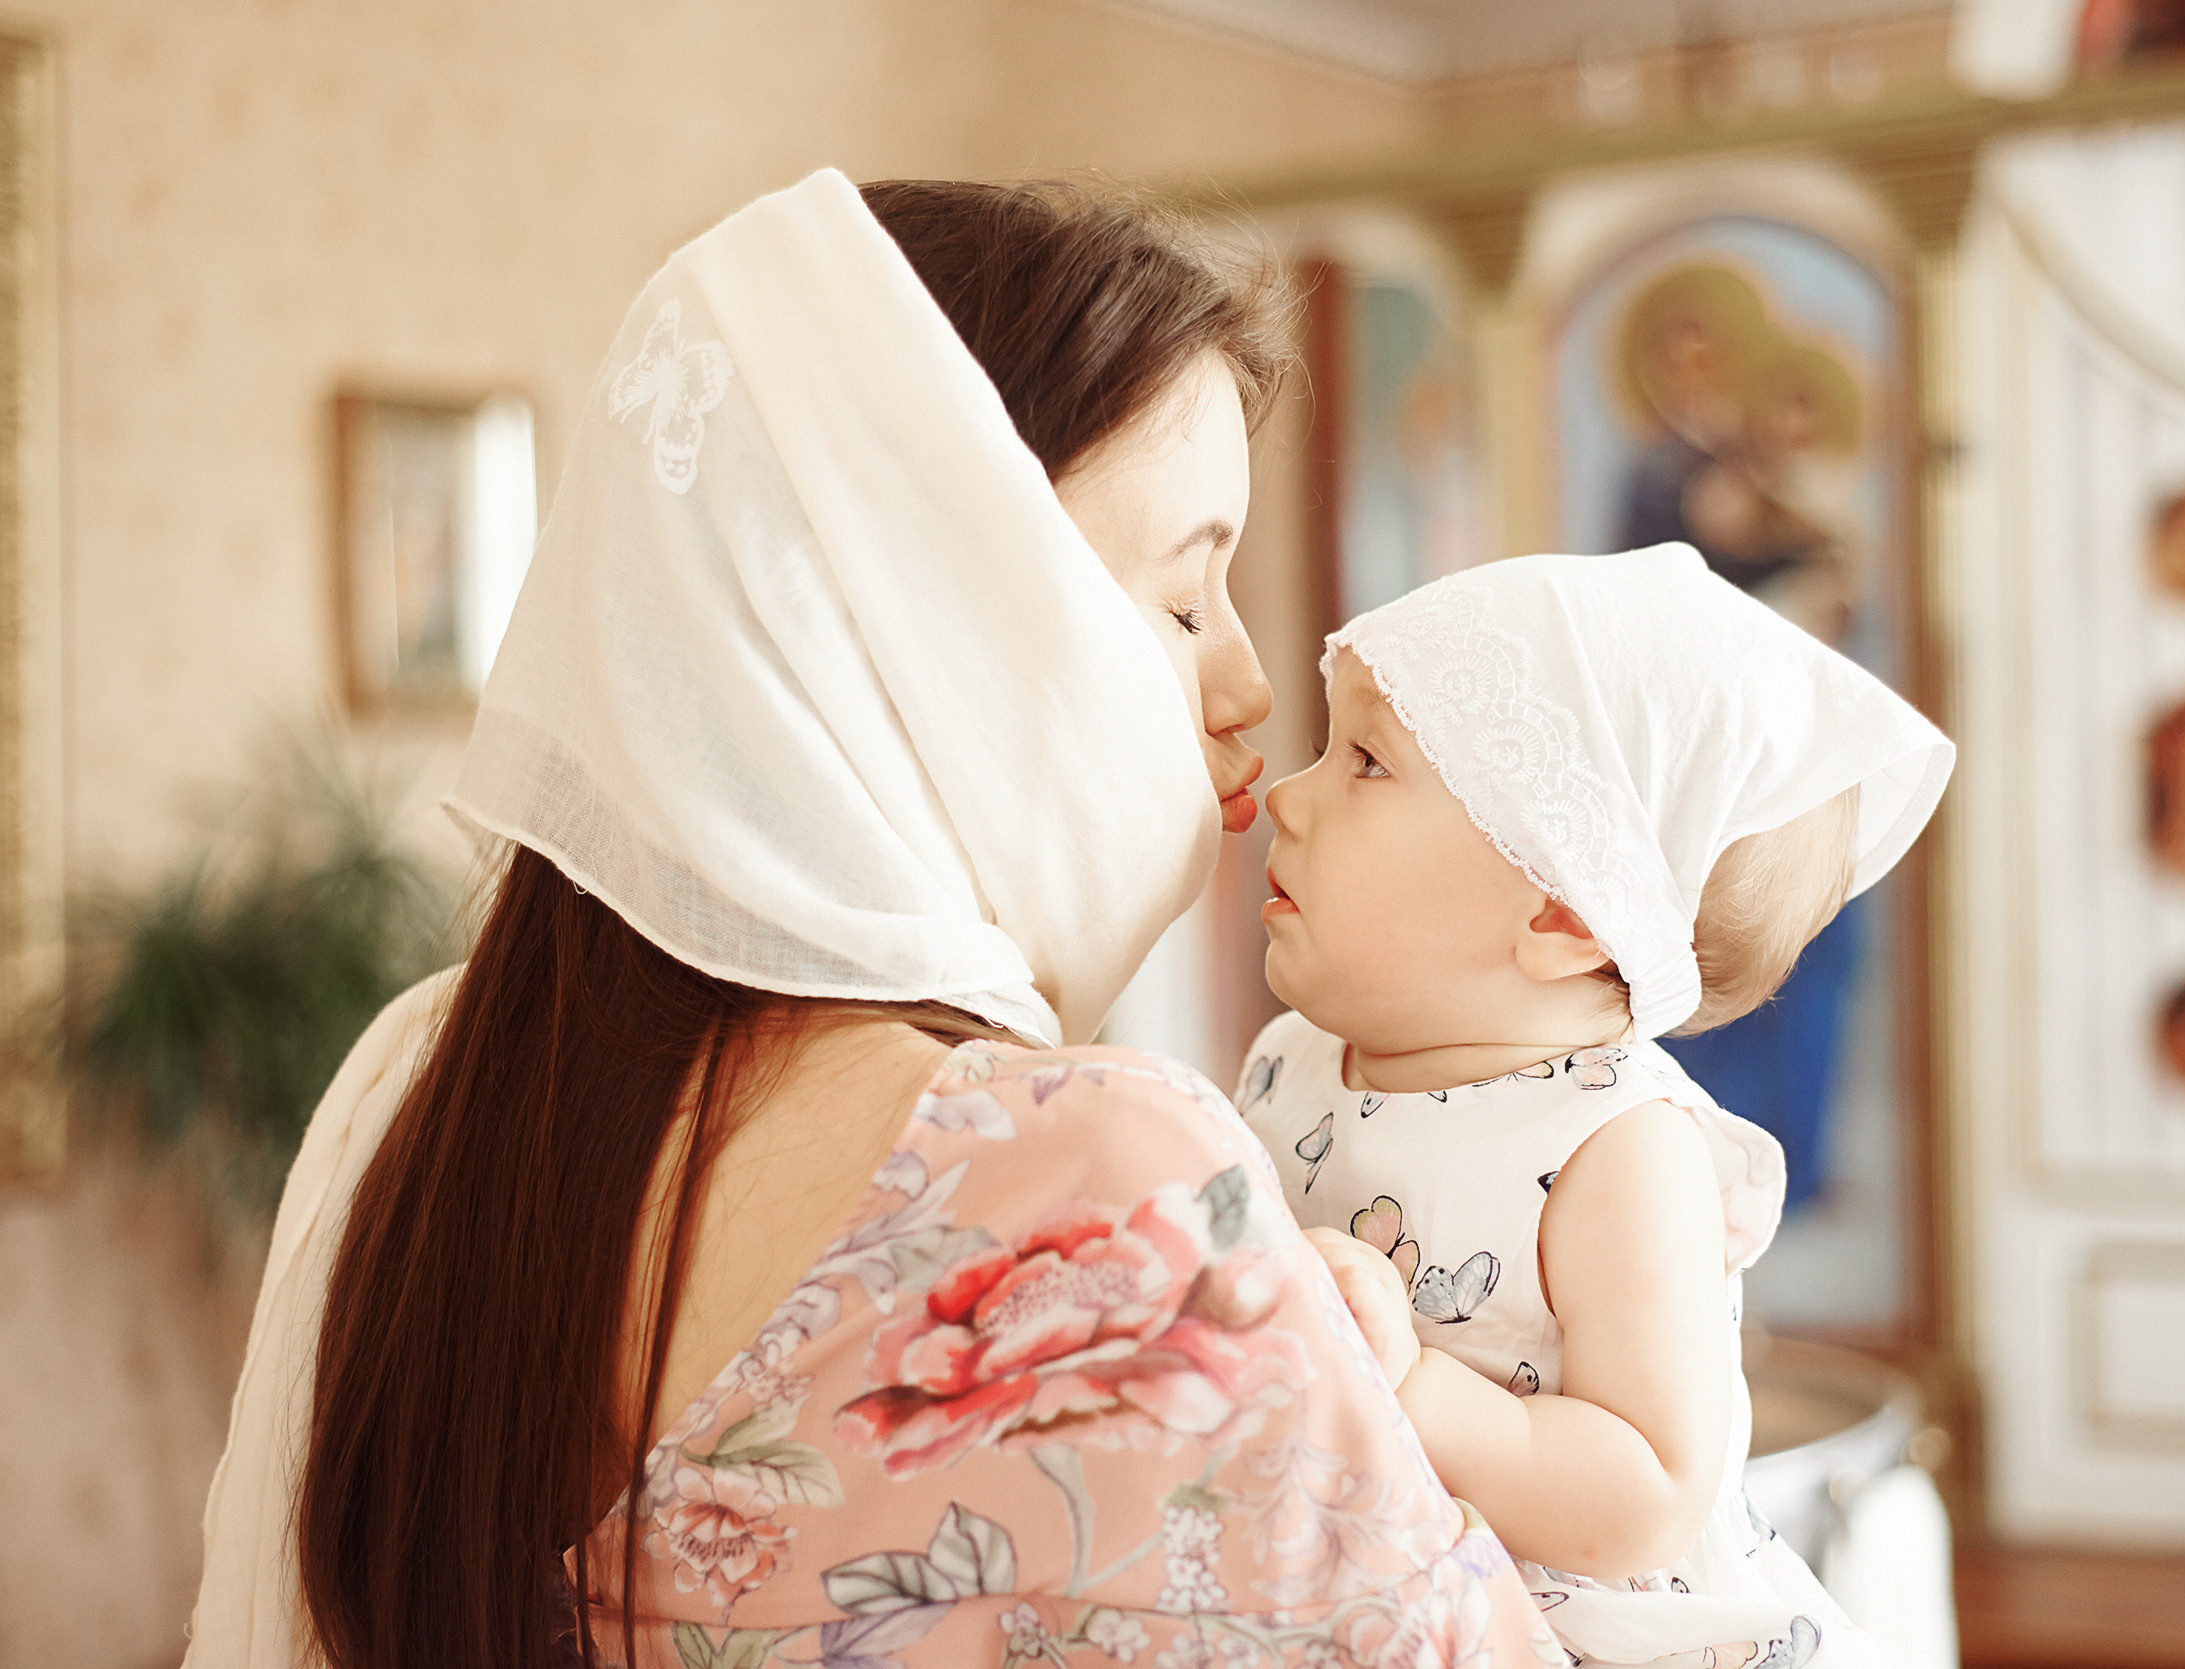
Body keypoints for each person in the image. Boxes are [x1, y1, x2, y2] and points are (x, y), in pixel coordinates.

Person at [184, 172, 1562, 1669]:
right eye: (1184, 600)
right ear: (930, 618)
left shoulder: (419, 1081)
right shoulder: (1093, 1167)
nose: (1245, 687)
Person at [1236, 546, 1954, 1669]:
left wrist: (1416, 1385)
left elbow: (1649, 1491)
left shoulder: (1615, 1148)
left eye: (1364, 760)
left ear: (1566, 912)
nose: (1288, 789)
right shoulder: (1291, 1060)